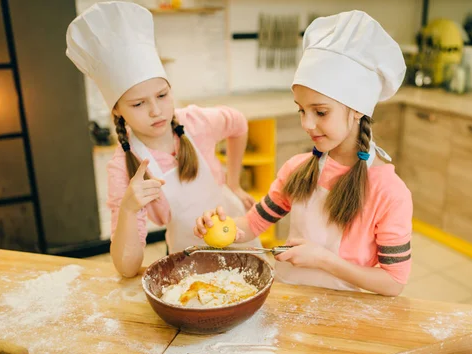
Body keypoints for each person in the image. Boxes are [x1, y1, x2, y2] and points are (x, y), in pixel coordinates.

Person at [194, 11, 412, 296]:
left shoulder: (389, 191)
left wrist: (323, 260)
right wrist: (224, 228)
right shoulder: (298, 170)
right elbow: (253, 224)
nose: (307, 124)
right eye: (301, 110)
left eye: (320, 112)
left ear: (358, 108)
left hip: (349, 313)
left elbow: (393, 283)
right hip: (290, 299)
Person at [66, 2, 257, 277]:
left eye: (162, 95)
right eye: (138, 104)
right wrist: (130, 209)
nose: (156, 111)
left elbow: (238, 123)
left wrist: (235, 184)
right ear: (117, 109)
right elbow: (126, 268)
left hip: (238, 233)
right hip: (191, 259)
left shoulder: (195, 122)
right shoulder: (124, 169)